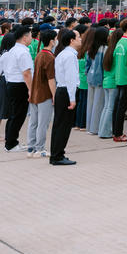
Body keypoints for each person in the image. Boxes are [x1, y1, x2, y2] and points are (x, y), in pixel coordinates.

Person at [49, 29, 80, 166]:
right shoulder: (69, 56)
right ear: (71, 40)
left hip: (62, 91)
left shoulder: (64, 54)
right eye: (78, 37)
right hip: (66, 91)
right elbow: (71, 79)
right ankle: (57, 155)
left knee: (59, 125)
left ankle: (57, 153)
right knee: (63, 126)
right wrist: (72, 99)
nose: (81, 39)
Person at [2, 27, 35, 151]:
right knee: (18, 115)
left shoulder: (13, 50)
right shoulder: (23, 52)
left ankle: (10, 141)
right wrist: (31, 89)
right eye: (30, 35)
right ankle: (11, 143)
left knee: (14, 114)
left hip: (11, 83)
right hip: (19, 85)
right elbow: (26, 73)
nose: (31, 38)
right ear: (25, 37)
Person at [27, 30, 57, 157]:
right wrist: (54, 95)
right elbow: (51, 79)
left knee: (33, 122)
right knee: (43, 123)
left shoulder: (40, 55)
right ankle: (40, 148)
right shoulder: (49, 57)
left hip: (35, 92)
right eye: (55, 39)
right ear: (51, 41)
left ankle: (31, 147)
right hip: (44, 94)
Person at [83, 27, 108, 137]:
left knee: (91, 103)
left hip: (90, 77)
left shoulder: (91, 47)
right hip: (100, 78)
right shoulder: (104, 48)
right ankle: (95, 128)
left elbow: (87, 64)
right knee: (98, 104)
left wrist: (87, 73)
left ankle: (89, 126)